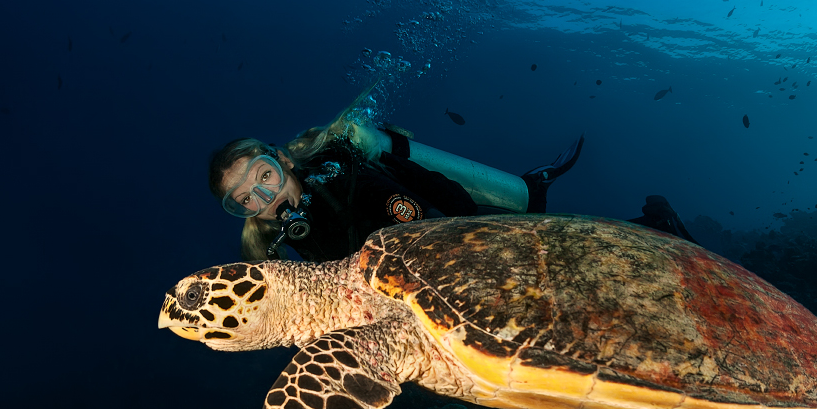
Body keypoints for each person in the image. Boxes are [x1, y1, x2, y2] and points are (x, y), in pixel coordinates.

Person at [208, 113, 585, 262]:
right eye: (246, 199)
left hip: (454, 217)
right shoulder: (273, 240)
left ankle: (535, 184)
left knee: (545, 234)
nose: (266, 198)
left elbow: (438, 228)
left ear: (283, 161)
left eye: (265, 176)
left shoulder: (341, 181)